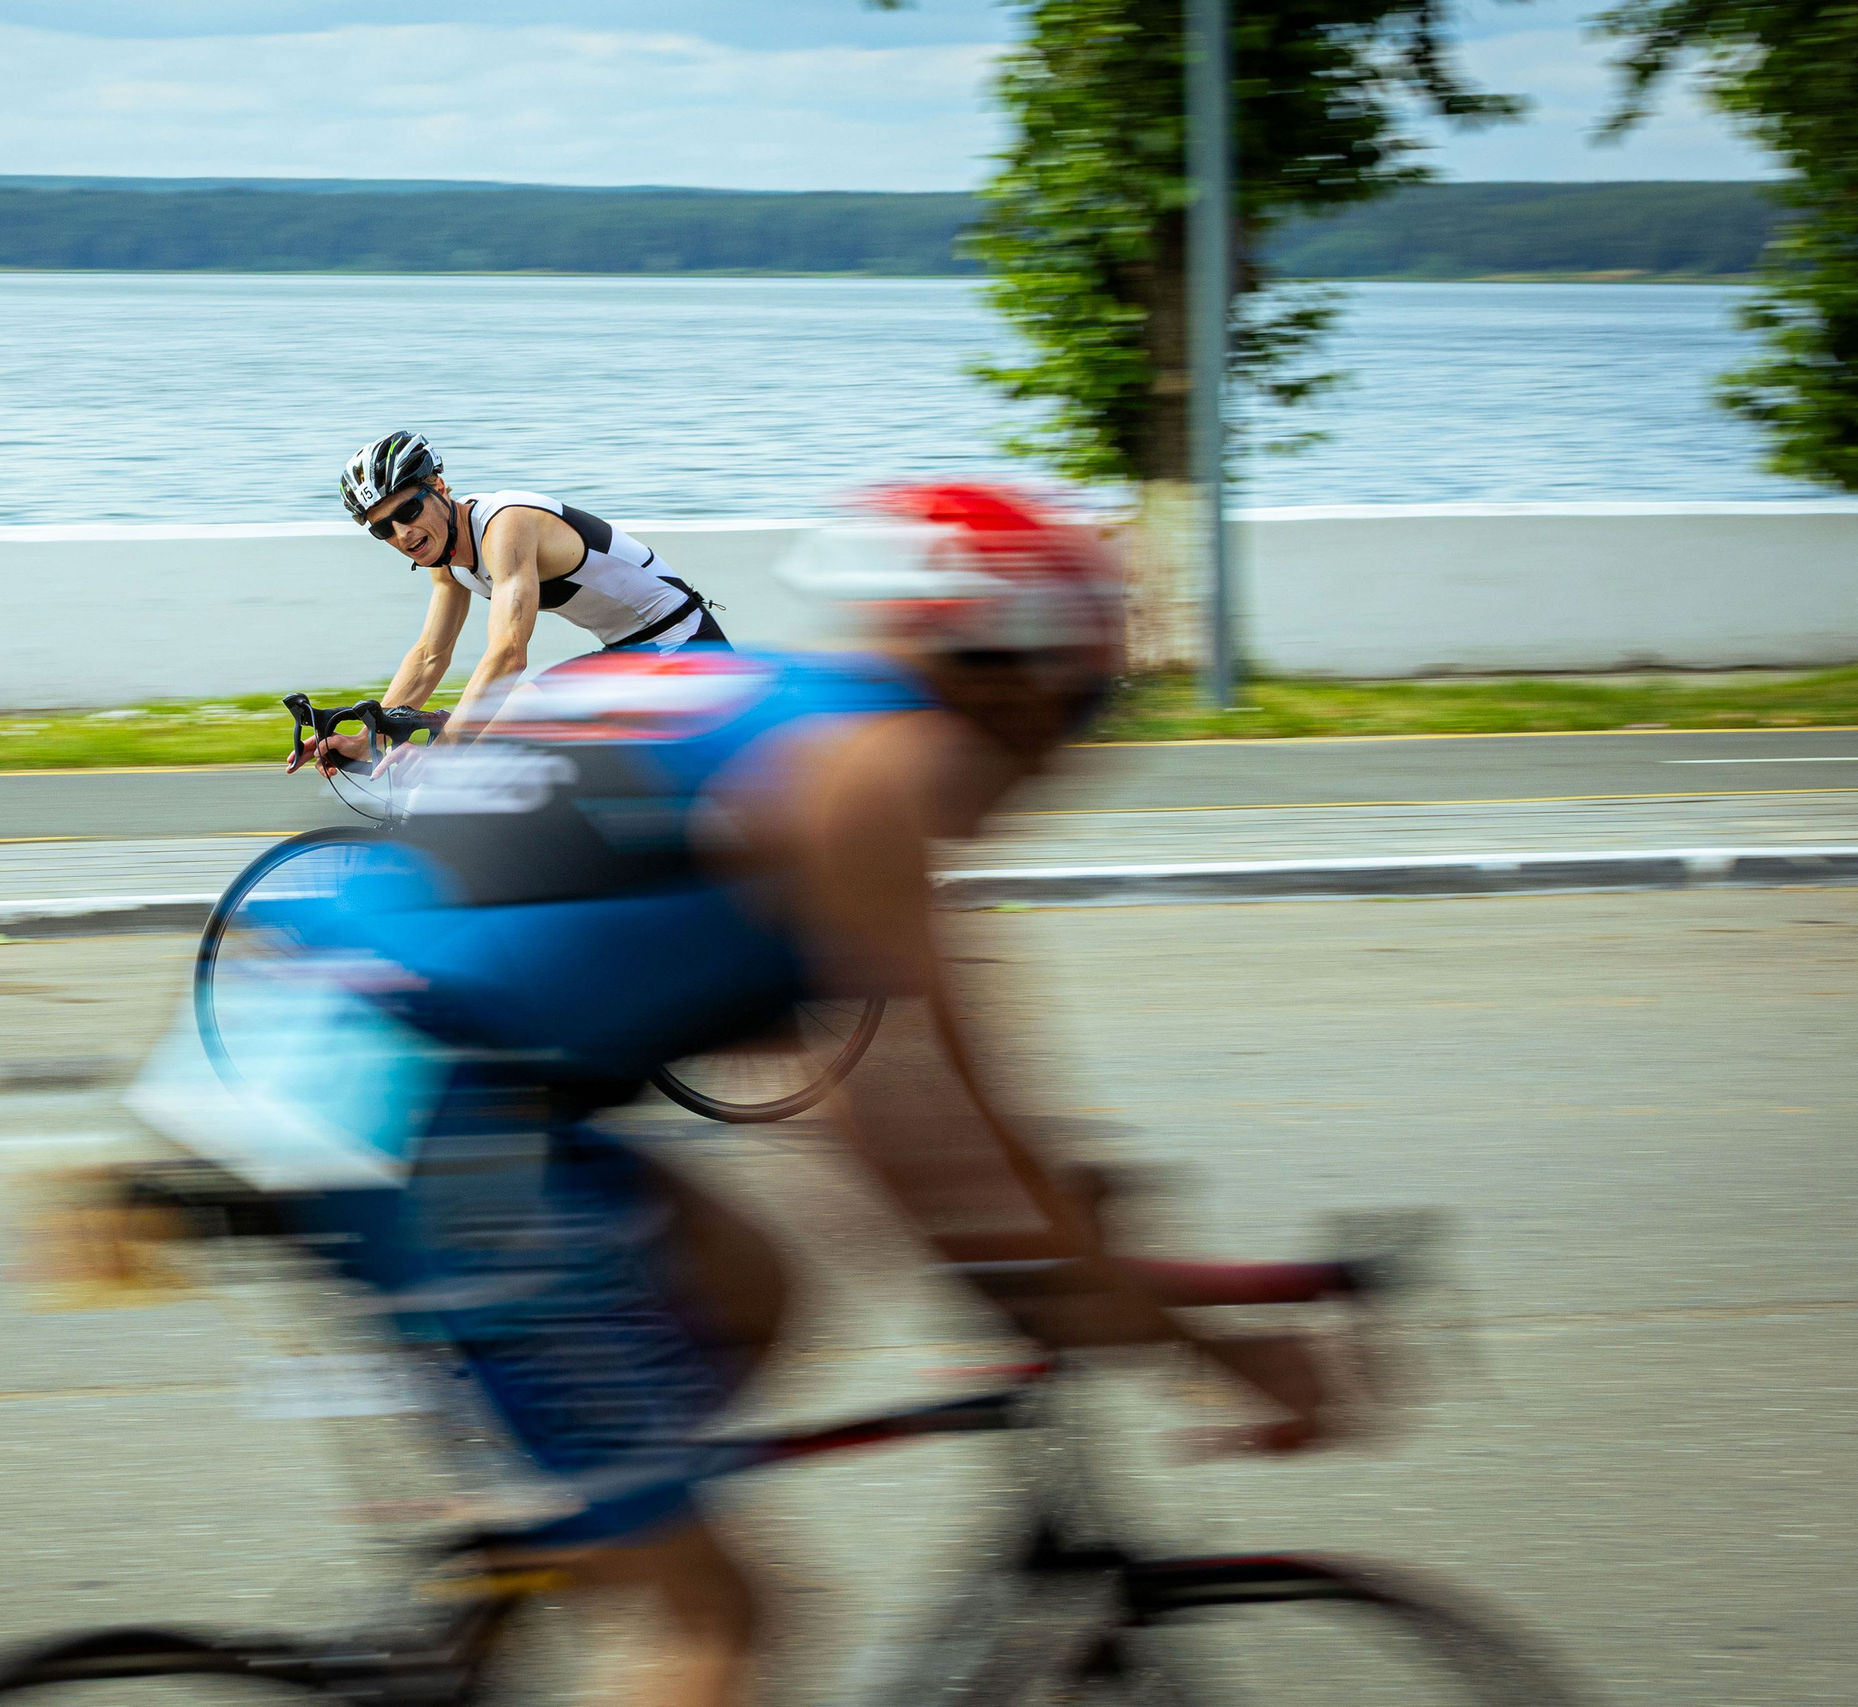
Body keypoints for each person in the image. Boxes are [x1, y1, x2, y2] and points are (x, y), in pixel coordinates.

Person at [160, 482, 1349, 1707]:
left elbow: (931, 1144)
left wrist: (1077, 1249)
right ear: (1010, 679)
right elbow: (944, 1183)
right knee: (725, 1626)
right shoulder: (869, 782)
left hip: (335, 1044)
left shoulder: (795, 712)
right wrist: (1205, 1344)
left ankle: (535, 1554)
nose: (1084, 756)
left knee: (749, 1289)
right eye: (1093, 708)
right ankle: (597, 1538)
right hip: (410, 1101)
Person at [309, 431, 728, 768]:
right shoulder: (444, 555)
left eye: (409, 511)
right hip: (627, 653)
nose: (402, 534)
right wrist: (369, 739)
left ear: (437, 487)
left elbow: (509, 653)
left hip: (685, 645)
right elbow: (429, 656)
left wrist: (445, 750)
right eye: (383, 529)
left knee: (510, 718)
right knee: (497, 742)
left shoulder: (505, 525)